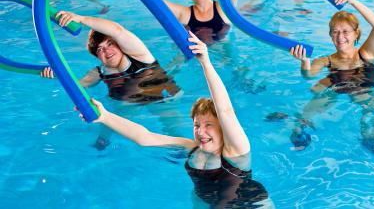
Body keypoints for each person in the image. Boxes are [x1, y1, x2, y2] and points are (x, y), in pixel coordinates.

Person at [89, 32, 272, 207]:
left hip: (251, 204)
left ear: (223, 129)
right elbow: (145, 137)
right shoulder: (191, 148)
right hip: (208, 202)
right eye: (196, 125)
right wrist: (104, 116)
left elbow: (225, 111)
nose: (200, 131)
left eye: (209, 125)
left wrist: (205, 63)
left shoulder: (236, 152)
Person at [289, 0, 374, 155]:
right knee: (306, 113)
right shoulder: (326, 60)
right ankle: (302, 129)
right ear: (330, 35)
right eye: (335, 32)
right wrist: (304, 62)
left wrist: (352, 1)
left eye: (345, 31)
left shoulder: (366, 54)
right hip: (336, 89)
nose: (340, 37)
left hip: (366, 93)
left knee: (373, 118)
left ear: (356, 34)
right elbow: (308, 75)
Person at [42, 11, 181, 104]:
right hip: (127, 107)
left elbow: (117, 30)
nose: (107, 51)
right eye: (100, 49)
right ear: (97, 56)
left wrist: (81, 19)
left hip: (163, 100)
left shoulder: (139, 55)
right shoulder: (99, 72)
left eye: (110, 44)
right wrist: (57, 76)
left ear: (120, 44)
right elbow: (79, 86)